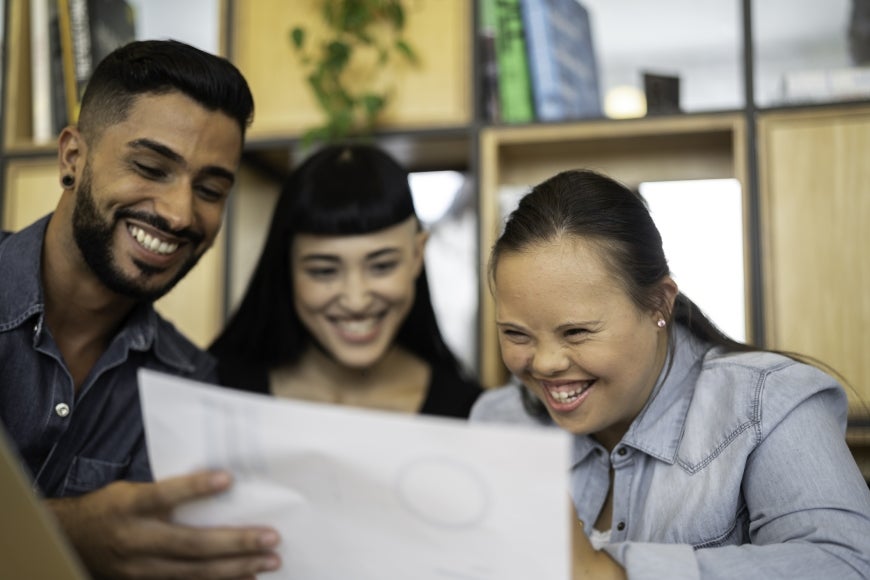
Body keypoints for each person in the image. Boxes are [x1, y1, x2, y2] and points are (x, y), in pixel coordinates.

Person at [470, 169, 870, 579]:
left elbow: (846, 564)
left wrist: (609, 573)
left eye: (576, 332)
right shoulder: (496, 421)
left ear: (658, 304)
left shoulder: (768, 404)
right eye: (516, 334)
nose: (545, 363)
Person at [0, 40, 282, 578]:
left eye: (210, 189)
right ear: (72, 158)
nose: (179, 213)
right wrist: (69, 532)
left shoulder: (191, 385)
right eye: (151, 167)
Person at [209, 143, 482, 417]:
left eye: (382, 266)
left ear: (417, 255)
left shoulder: (471, 416)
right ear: (286, 265)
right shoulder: (215, 393)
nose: (356, 300)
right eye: (324, 271)